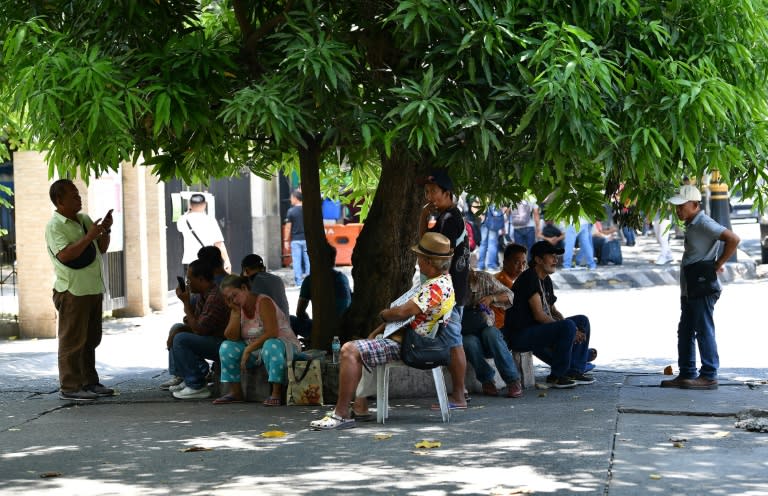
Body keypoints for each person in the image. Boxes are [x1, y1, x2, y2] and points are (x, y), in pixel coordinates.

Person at [309, 232, 455, 430]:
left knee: (349, 350)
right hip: (409, 340)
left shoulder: (436, 287)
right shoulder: (441, 282)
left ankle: (341, 414)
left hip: (410, 346)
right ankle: (360, 406)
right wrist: (380, 328)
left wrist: (385, 314)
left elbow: (404, 312)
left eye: (420, 257)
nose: (418, 261)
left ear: (429, 261)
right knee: (367, 343)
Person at [661, 185, 740, 390]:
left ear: (695, 205)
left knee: (703, 330)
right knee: (685, 330)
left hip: (702, 288)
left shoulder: (704, 222)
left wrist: (718, 264)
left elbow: (733, 239)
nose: (678, 211)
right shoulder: (692, 224)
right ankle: (687, 373)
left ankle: (709, 375)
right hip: (690, 287)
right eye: (676, 207)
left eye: (682, 206)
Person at [45, 179, 115, 401]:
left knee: (90, 339)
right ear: (59, 201)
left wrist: (105, 230)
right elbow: (65, 255)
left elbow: (100, 249)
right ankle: (70, 386)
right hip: (72, 290)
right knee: (72, 341)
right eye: (73, 195)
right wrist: (89, 237)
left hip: (93, 288)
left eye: (78, 194)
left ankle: (89, 382)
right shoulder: (54, 226)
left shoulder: (84, 219)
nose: (79, 198)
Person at [504, 241, 595, 388]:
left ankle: (575, 370)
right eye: (551, 256)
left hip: (539, 331)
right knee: (568, 326)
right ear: (538, 260)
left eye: (556, 256)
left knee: (581, 321)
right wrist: (568, 328)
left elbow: (553, 311)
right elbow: (539, 315)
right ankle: (557, 376)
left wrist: (572, 328)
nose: (555, 260)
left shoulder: (546, 279)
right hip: (521, 335)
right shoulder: (529, 278)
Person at [418, 169, 469, 408]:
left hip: (449, 292)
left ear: (447, 193)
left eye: (434, 192)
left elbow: (430, 252)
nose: (430, 196)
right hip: (448, 291)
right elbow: (424, 246)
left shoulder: (450, 220)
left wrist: (422, 220)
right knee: (450, 341)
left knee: (453, 342)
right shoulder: (444, 217)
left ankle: (459, 396)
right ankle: (460, 392)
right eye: (427, 191)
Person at [215, 275, 301, 405]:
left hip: (282, 345)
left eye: (235, 295)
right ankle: (236, 393)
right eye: (229, 299)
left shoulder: (263, 302)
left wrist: (248, 349)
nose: (233, 301)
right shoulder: (237, 308)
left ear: (244, 288)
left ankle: (276, 393)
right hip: (256, 350)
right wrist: (236, 313)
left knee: (270, 344)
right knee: (226, 347)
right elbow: (231, 337)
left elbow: (272, 332)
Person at [167, 259, 230, 399]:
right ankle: (186, 377)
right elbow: (194, 325)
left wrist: (186, 303)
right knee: (177, 329)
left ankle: (196, 385)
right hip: (210, 337)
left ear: (201, 279)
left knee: (180, 339)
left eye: (190, 279)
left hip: (223, 343)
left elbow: (199, 329)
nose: (187, 283)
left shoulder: (215, 296)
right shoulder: (204, 294)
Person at [462, 268, 522, 398]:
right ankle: (487, 380)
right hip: (466, 333)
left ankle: (513, 380)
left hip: (487, 331)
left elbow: (510, 295)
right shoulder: (447, 284)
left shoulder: (483, 278)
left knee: (491, 334)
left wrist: (492, 298)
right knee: (468, 342)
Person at [292, 244, 352, 342]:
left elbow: (300, 312)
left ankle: (296, 347)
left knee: (290, 320)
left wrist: (307, 320)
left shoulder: (310, 280)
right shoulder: (343, 278)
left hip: (322, 329)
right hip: (345, 328)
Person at [176, 193, 231, 273]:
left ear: (190, 205)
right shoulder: (210, 220)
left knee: (191, 284)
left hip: (190, 261)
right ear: (205, 204)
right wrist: (226, 260)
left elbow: (180, 228)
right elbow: (219, 243)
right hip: (207, 261)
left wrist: (189, 210)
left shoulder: (183, 220)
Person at [493, 243, 528, 329]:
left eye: (524, 263)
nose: (521, 267)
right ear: (505, 263)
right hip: (501, 327)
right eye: (516, 262)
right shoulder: (504, 283)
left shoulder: (499, 276)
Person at [283, 189, 310, 286]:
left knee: (297, 262)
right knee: (308, 261)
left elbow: (288, 227)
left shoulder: (291, 211)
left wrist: (286, 240)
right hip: (307, 239)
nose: (290, 200)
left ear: (295, 198)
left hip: (296, 240)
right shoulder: (308, 209)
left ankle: (299, 283)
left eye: (291, 198)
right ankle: (309, 281)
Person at [477, 203, 505, 270]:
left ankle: (480, 265)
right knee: (492, 244)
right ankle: (491, 265)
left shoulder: (483, 196)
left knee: (483, 244)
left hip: (484, 222)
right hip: (493, 223)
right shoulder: (495, 198)